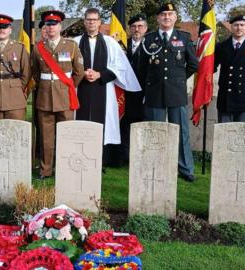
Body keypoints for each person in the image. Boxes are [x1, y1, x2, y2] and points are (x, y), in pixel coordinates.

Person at [74, 8, 140, 167]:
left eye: (94, 19)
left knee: (104, 121)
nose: (91, 22)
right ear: (84, 21)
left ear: (99, 22)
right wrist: (81, 74)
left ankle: (102, 160)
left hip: (103, 88)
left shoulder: (110, 42)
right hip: (80, 89)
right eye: (88, 19)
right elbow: (67, 66)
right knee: (79, 120)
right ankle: (79, 156)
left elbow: (120, 67)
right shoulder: (74, 42)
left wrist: (100, 75)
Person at [139, 3, 199, 182]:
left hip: (176, 92)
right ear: (157, 18)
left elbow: (193, 64)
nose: (166, 17)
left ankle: (186, 169)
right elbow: (142, 68)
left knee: (181, 132)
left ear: (175, 17)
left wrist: (178, 79)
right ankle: (154, 166)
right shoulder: (148, 39)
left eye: (170, 14)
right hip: (154, 92)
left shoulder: (184, 37)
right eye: (163, 14)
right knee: (154, 132)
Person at [31, 10, 84, 179]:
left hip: (65, 97)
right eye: (48, 24)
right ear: (45, 27)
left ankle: (66, 169)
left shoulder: (71, 46)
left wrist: (67, 88)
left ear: (60, 26)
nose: (51, 27)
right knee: (46, 137)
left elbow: (79, 72)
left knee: (67, 135)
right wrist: (46, 87)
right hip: (45, 97)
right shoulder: (38, 48)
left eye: (54, 24)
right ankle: (45, 170)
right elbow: (35, 73)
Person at [120, 14, 148, 163]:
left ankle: (141, 156)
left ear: (146, 28)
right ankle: (125, 156)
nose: (137, 29)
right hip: (126, 93)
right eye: (133, 27)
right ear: (130, 29)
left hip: (145, 93)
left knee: (142, 124)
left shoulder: (151, 45)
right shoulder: (122, 45)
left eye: (140, 26)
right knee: (125, 124)